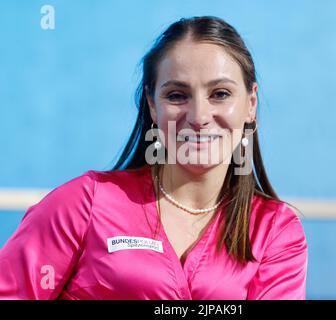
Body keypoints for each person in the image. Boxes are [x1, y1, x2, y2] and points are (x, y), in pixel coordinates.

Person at [0, 16, 307, 300]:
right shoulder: (84, 204)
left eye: (220, 94)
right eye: (176, 95)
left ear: (250, 104)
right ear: (151, 104)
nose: (199, 117)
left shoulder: (275, 230)